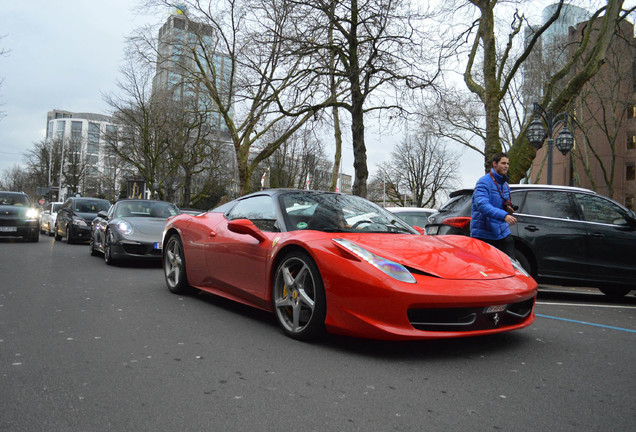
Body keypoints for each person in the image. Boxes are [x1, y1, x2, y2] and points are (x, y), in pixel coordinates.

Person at [471, 152, 517, 258]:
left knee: (510, 265)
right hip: (484, 234)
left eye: (508, 164)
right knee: (485, 269)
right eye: (503, 163)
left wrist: (507, 208)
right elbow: (482, 205)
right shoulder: (483, 182)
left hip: (502, 232)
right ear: (494, 164)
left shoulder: (505, 184)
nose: (506, 166)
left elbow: (501, 203)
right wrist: (504, 215)